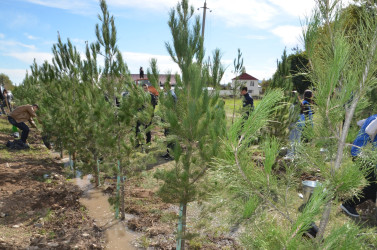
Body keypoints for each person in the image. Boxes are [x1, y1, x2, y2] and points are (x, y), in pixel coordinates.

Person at [340, 114, 377, 217]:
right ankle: (348, 204)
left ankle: (370, 206)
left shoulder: (373, 117)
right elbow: (369, 130)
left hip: (359, 153)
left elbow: (359, 122)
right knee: (374, 185)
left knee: (373, 183)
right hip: (362, 155)